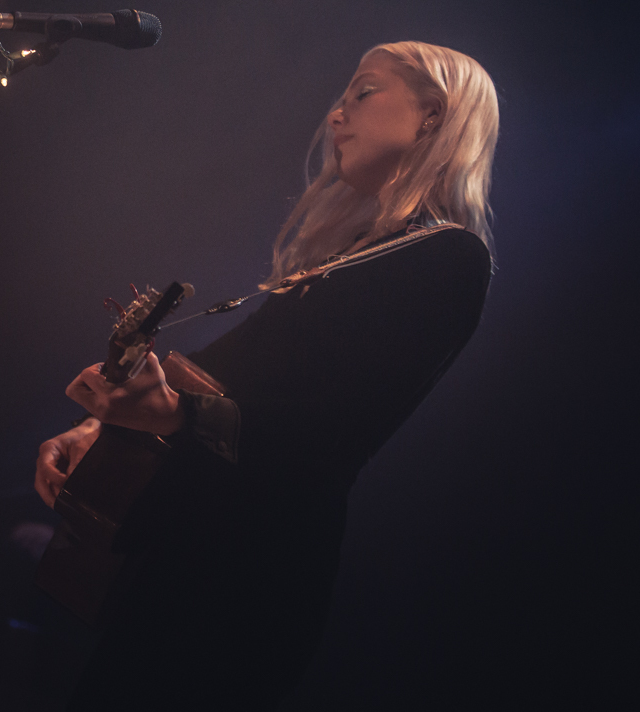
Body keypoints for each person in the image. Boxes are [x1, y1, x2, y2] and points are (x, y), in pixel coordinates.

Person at [35, 41, 499, 709]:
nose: (337, 113)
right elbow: (216, 376)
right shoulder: (351, 259)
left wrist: (167, 415)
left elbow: (331, 436)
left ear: (433, 116)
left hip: (247, 586)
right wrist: (103, 425)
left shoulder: (448, 258)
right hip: (184, 567)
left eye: (363, 91)